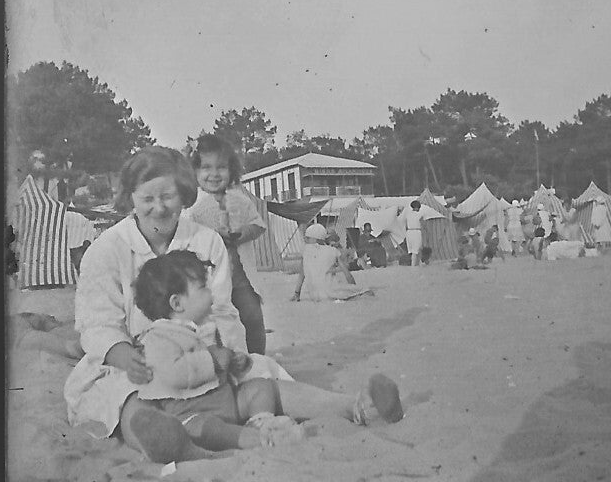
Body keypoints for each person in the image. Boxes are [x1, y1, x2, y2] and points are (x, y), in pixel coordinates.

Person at [65, 147, 403, 464]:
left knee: (261, 377)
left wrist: (228, 355)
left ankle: (356, 405)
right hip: (137, 362)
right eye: (147, 199)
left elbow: (222, 309)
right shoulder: (107, 250)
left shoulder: (204, 240)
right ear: (130, 199)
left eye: (168, 197)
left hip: (210, 356)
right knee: (127, 400)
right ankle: (168, 442)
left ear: (184, 195)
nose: (159, 207)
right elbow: (96, 323)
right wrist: (126, 357)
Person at [132, 250, 303, 452]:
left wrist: (236, 361)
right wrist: (212, 360)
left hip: (226, 401)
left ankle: (261, 421)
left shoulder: (204, 327)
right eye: (203, 287)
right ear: (177, 303)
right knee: (208, 429)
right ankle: (258, 439)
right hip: (191, 412)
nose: (210, 293)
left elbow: (223, 359)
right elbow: (173, 373)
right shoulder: (158, 336)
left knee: (261, 387)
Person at [183, 135, 270, 355]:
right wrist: (212, 236)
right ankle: (219, 360)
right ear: (194, 172)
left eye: (221, 167)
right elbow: (186, 237)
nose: (214, 174)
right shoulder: (192, 205)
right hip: (208, 277)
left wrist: (241, 235)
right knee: (213, 322)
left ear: (231, 170)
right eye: (206, 168)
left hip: (240, 275)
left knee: (253, 316)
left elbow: (258, 225)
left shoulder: (239, 199)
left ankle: (258, 358)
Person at [291, 224, 374, 301]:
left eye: (307, 238)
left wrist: (297, 293)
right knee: (367, 291)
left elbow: (301, 274)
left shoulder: (305, 250)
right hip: (329, 292)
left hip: (314, 294)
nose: (304, 239)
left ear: (314, 238)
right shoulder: (333, 251)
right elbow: (347, 274)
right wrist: (354, 288)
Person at [403, 200, 426, 268]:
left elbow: (405, 225)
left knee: (413, 249)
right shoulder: (420, 214)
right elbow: (423, 224)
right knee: (417, 249)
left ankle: (418, 263)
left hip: (409, 232)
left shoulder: (407, 214)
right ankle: (414, 265)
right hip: (416, 231)